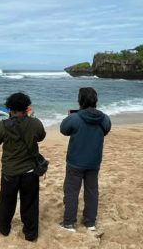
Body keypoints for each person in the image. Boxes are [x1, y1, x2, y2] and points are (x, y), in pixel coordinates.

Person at [0, 93, 46, 242]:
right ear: (27, 108)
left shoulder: (3, 125)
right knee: (30, 203)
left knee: (6, 201)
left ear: (9, 108)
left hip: (10, 172)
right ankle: (30, 233)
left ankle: (4, 228)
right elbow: (41, 136)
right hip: (30, 171)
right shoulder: (35, 123)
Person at [59, 87, 111, 232]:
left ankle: (69, 223)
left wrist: (69, 117)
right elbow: (106, 130)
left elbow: (63, 129)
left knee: (71, 192)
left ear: (80, 101)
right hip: (94, 161)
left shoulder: (75, 118)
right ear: (95, 101)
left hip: (75, 161)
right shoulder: (104, 118)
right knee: (92, 191)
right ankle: (90, 223)